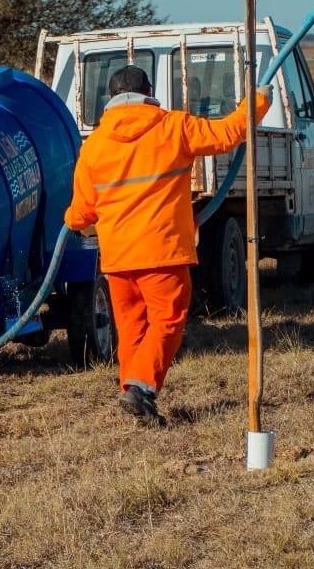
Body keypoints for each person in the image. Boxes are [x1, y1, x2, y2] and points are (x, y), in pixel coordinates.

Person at [64, 64, 271, 426]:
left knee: (132, 330)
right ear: (149, 92)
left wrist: (70, 219)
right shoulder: (174, 126)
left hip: (118, 259)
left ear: (110, 98)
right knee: (167, 320)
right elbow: (228, 133)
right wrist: (258, 101)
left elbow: (82, 213)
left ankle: (134, 395)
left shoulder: (94, 146)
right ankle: (141, 390)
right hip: (162, 251)